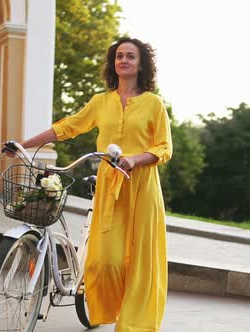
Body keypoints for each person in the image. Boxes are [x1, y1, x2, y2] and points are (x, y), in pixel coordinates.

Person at [13, 37, 172, 332]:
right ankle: (109, 309)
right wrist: (23, 144)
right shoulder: (101, 102)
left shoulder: (153, 103)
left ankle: (134, 324)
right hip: (109, 187)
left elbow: (164, 147)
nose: (123, 60)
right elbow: (67, 127)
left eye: (130, 56)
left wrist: (136, 159)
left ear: (141, 65)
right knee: (103, 262)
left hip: (142, 189)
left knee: (139, 260)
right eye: (119, 56)